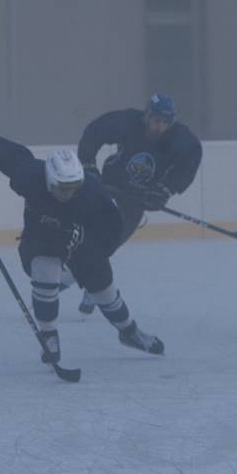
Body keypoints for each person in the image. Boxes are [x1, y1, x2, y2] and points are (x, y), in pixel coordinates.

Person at [0, 137, 165, 363]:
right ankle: (49, 336)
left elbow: (112, 232)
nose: (68, 193)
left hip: (83, 236)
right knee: (45, 271)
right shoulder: (29, 175)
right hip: (41, 232)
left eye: (73, 187)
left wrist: (95, 254)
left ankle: (129, 332)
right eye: (62, 188)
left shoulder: (93, 196)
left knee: (103, 289)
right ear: (48, 180)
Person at [74, 93, 203, 313]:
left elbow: (188, 163)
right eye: (156, 120)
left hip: (138, 200)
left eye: (165, 122)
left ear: (172, 122)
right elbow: (94, 132)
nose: (159, 126)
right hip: (111, 187)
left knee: (110, 243)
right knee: (93, 236)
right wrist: (88, 164)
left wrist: (165, 189)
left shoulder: (182, 139)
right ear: (146, 116)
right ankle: (67, 280)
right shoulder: (128, 122)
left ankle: (93, 284)